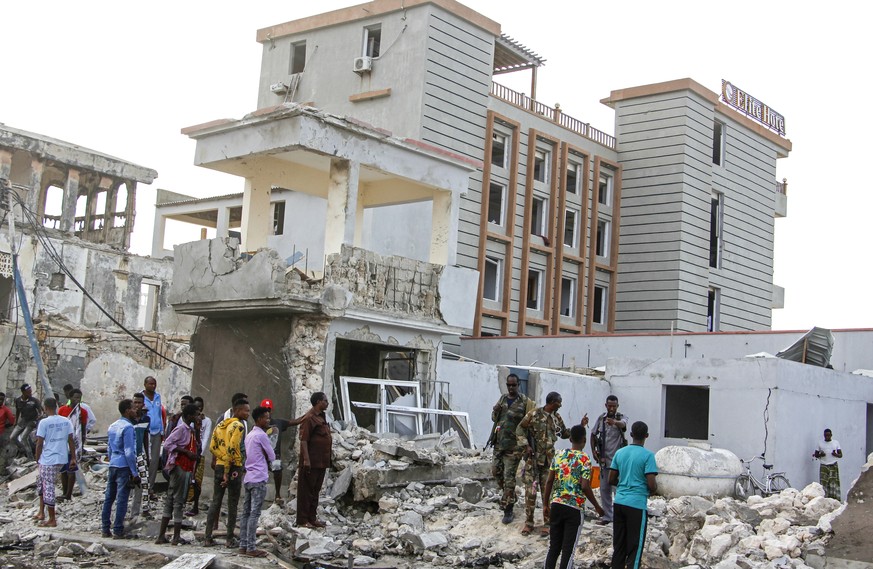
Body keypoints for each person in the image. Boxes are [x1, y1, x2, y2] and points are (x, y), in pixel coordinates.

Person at [516, 392, 587, 536]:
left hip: (549, 462)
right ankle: (528, 523)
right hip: (533, 460)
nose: (560, 405)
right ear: (552, 402)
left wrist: (580, 425)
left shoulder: (556, 418)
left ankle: (547, 523)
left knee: (548, 494)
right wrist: (526, 445)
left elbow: (566, 434)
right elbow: (519, 429)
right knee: (530, 492)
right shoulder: (534, 414)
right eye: (559, 402)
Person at [543, 424, 603, 569]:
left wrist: (545, 504)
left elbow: (549, 481)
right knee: (568, 551)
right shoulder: (585, 459)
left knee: (554, 548)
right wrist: (597, 507)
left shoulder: (559, 454)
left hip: (556, 504)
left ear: (570, 439)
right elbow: (584, 486)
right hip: (574, 508)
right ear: (584, 439)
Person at [609, 421, 658, 569]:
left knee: (619, 546)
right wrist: (652, 490)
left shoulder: (620, 452)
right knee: (634, 548)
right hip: (636, 505)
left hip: (619, 503)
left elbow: (611, 479)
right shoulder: (648, 456)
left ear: (631, 434)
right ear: (647, 436)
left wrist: (624, 485)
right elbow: (651, 484)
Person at [205, 398, 250, 547]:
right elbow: (232, 448)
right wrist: (227, 467)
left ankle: (207, 537)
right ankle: (229, 538)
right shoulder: (238, 426)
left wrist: (221, 458)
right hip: (233, 467)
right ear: (237, 411)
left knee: (216, 501)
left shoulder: (220, 426)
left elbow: (212, 447)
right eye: (246, 410)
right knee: (233, 502)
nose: (248, 414)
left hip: (219, 464)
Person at [490, 374, 534, 524]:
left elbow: (529, 424)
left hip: (514, 447)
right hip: (499, 444)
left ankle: (508, 509)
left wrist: (527, 445)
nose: (511, 388)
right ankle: (511, 496)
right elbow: (494, 418)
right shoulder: (502, 399)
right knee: (496, 472)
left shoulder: (524, 402)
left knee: (509, 478)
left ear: (518, 385)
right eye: (509, 385)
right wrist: (495, 410)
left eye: (513, 385)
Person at [156, 403, 199, 545]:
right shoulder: (181, 429)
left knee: (171, 499)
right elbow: (168, 444)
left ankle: (162, 536)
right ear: (190, 416)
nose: (198, 417)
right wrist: (185, 451)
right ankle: (175, 536)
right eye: (196, 414)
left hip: (185, 468)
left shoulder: (191, 430)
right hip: (181, 466)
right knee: (178, 501)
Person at [239, 405, 276, 557]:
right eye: (266, 418)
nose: (268, 420)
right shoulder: (261, 435)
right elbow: (272, 455)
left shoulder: (249, 435)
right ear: (260, 419)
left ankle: (243, 545)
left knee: (245, 513)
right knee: (254, 514)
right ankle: (251, 547)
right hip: (259, 477)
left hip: (248, 477)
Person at [34, 398, 76, 527]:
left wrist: (37, 458)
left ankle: (52, 519)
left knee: (48, 487)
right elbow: (71, 441)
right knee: (41, 482)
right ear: (57, 406)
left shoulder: (44, 422)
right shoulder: (66, 421)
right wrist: (73, 458)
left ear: (45, 408)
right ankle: (41, 512)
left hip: (48, 458)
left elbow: (39, 443)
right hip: (61, 457)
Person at [260, 398, 310, 504]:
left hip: (274, 456)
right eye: (265, 409)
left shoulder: (278, 423)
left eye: (269, 409)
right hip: (260, 456)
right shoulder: (259, 425)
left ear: (271, 410)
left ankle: (277, 495)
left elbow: (296, 421)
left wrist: (310, 413)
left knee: (278, 473)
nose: (267, 411)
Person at [102, 399, 140, 538]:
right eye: (133, 408)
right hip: (124, 465)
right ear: (127, 410)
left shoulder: (113, 426)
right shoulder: (128, 427)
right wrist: (134, 472)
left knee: (109, 498)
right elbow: (129, 451)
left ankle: (105, 528)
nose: (136, 410)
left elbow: (109, 448)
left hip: (113, 463)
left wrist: (112, 461)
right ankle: (118, 529)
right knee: (122, 499)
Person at [590, 395, 628, 525]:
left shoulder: (621, 417)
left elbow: (623, 425)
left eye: (614, 406)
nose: (612, 408)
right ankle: (607, 516)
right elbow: (593, 435)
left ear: (617, 406)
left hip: (618, 462)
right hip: (604, 460)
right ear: (606, 405)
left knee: (619, 489)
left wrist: (614, 423)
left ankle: (620, 516)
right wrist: (594, 451)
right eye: (609, 406)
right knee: (604, 489)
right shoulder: (601, 419)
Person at [297, 392, 332, 528]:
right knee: (306, 491)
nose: (327, 403)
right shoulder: (310, 418)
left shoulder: (321, 417)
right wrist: (306, 460)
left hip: (321, 462)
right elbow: (304, 440)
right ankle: (302, 520)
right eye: (325, 401)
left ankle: (312, 518)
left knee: (315, 491)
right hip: (311, 462)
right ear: (318, 402)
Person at [58, 388, 89, 501]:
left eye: (79, 398)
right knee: (63, 470)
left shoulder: (83, 412)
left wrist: (82, 445)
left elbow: (83, 429)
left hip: (75, 444)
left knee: (72, 468)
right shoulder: (62, 410)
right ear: (70, 398)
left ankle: (68, 494)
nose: (77, 400)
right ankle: (64, 492)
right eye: (75, 397)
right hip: (63, 443)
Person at [140, 376, 166, 498]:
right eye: (150, 384)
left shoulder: (157, 397)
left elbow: (160, 415)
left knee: (155, 461)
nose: (153, 386)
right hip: (145, 432)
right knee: (145, 459)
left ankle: (150, 487)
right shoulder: (140, 398)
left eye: (154, 384)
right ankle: (141, 487)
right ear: (145, 384)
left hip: (156, 433)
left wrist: (162, 431)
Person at [186, 396, 212, 515]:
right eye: (196, 408)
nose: (199, 410)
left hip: (198, 455)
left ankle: (195, 506)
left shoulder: (207, 421)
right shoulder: (189, 421)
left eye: (200, 407)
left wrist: (199, 453)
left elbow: (205, 438)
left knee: (197, 481)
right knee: (187, 479)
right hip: (188, 454)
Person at [129, 392, 152, 519]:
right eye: (135, 402)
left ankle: (145, 509)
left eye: (139, 403)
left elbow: (145, 437)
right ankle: (130, 512)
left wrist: (147, 456)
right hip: (129, 455)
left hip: (140, 454)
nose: (137, 405)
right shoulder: (128, 419)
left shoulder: (146, 419)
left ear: (143, 404)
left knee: (145, 482)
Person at [11, 384, 42, 460]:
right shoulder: (18, 400)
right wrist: (15, 421)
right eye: (28, 392)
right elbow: (18, 411)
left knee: (24, 437)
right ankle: (22, 449)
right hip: (23, 421)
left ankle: (30, 458)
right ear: (23, 392)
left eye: (31, 392)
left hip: (32, 421)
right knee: (12, 437)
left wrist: (40, 416)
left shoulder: (34, 401)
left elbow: (41, 411)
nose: (30, 393)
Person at [813, 428, 843, 500]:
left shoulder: (836, 443)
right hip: (824, 465)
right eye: (826, 435)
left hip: (833, 465)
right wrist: (821, 455)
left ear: (831, 435)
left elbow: (841, 455)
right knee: (823, 483)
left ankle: (835, 499)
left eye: (828, 435)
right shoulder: (820, 443)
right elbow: (816, 454)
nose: (827, 437)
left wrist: (835, 454)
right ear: (824, 435)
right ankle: (824, 499)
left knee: (834, 483)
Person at [0, 392, 15, 475]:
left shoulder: (5, 409)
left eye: (2, 399)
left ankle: (1, 471)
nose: (0, 401)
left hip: (1, 434)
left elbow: (12, 420)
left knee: (2, 454)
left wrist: (6, 425)